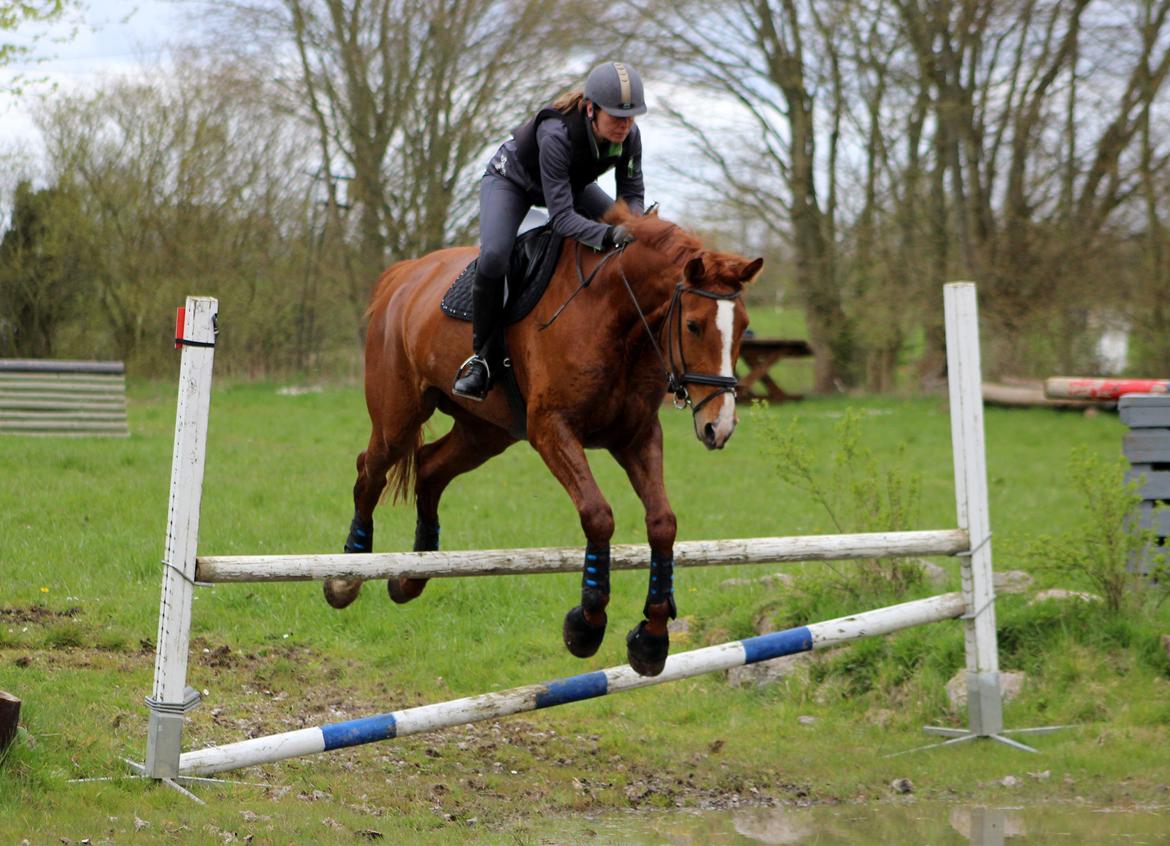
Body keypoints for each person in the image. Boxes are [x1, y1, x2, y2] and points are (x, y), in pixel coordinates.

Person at [452, 61, 648, 400]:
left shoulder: (630, 136)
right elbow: (562, 219)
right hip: (513, 181)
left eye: (630, 117)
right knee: (495, 256)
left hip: (568, 186)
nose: (624, 125)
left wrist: (635, 224)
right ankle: (482, 359)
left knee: (632, 236)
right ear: (591, 108)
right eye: (617, 116)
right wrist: (607, 235)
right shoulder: (556, 134)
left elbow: (631, 195)